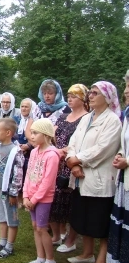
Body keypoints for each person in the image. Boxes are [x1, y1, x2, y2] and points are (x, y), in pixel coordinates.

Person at [66, 81, 121, 263]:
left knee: (100, 222)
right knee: (83, 217)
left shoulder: (113, 120)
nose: (91, 95)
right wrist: (72, 163)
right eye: (90, 92)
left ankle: (102, 261)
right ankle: (87, 253)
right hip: (80, 176)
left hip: (100, 178)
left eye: (95, 93)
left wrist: (78, 160)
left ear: (107, 97)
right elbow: (73, 142)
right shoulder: (86, 118)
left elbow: (103, 149)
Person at [49, 84, 89, 251]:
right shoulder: (64, 115)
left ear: (83, 99)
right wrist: (54, 149)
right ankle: (57, 235)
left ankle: (69, 237)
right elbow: (52, 134)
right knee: (53, 199)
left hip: (71, 163)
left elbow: (84, 142)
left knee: (68, 201)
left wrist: (65, 152)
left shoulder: (87, 118)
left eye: (74, 96)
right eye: (69, 96)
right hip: (56, 162)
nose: (70, 99)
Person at [22, 118, 60, 263]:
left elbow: (47, 182)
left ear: (45, 135)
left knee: (42, 228)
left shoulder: (52, 155)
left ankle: (50, 260)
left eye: (35, 133)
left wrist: (35, 199)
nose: (31, 136)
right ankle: (40, 257)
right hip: (30, 197)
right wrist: (25, 196)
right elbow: (28, 175)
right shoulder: (34, 152)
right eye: (31, 133)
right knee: (35, 227)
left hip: (43, 199)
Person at [0, 118, 24, 258]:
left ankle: (10, 246)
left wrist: (14, 193)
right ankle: (2, 242)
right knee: (1, 217)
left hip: (8, 191)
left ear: (8, 132)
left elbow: (18, 173)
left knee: (11, 218)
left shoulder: (15, 151)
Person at [107, 72, 129, 263]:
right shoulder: (128, 114)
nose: (127, 91)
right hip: (126, 178)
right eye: (126, 86)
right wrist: (122, 153)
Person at [16, 98, 37, 206]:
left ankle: (28, 199)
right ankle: (19, 199)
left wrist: (28, 146)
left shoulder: (34, 120)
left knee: (28, 176)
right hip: (17, 150)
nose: (24, 108)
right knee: (18, 175)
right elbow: (12, 133)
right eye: (22, 106)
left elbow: (36, 136)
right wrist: (17, 146)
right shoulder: (16, 118)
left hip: (30, 152)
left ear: (31, 108)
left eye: (26, 106)